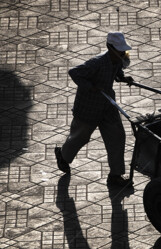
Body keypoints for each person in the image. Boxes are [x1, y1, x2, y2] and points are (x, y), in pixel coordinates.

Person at [55, 32, 134, 187]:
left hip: (107, 105)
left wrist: (123, 78)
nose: (122, 53)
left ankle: (115, 176)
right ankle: (63, 156)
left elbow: (117, 73)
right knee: (80, 137)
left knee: (117, 137)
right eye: (119, 50)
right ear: (110, 48)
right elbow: (74, 72)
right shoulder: (96, 63)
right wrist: (91, 87)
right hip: (88, 108)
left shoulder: (117, 60)